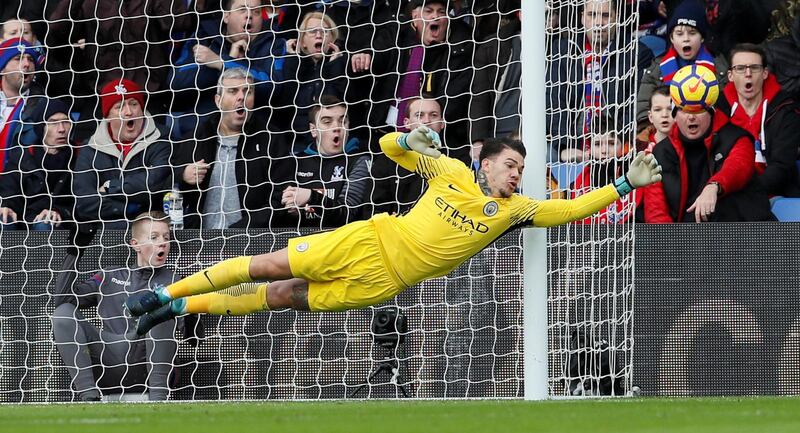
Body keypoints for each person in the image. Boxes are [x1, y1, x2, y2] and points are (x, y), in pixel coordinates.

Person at [125, 126, 663, 336]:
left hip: (385, 281)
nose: (516, 174)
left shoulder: (515, 210)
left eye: (520, 170)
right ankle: (164, 291)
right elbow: (386, 150)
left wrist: (622, 184)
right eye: (510, 166)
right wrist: (408, 138)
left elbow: (569, 211)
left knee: (284, 296)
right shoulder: (451, 172)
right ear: (487, 165)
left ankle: (180, 309)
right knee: (270, 264)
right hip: (370, 239)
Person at [52, 212, 179, 401]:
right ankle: (88, 399)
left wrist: (186, 313)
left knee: (161, 311)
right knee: (63, 313)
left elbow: (193, 336)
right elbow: (62, 301)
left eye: (166, 237)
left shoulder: (175, 282)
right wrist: (75, 250)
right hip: (107, 364)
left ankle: (159, 401)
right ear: (135, 244)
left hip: (146, 368)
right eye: (154, 237)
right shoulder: (110, 275)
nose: (163, 242)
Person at [643, 87, 774, 222]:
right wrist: (671, 241)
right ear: (675, 115)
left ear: (711, 112)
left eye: (698, 110)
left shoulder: (737, 138)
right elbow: (656, 211)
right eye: (684, 110)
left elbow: (738, 166)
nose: (691, 117)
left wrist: (714, 186)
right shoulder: (659, 153)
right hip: (685, 237)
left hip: (745, 228)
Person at [548, 0, 654, 163]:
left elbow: (636, 106)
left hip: (618, 145)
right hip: (573, 146)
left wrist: (615, 142)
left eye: (605, 15)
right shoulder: (563, 51)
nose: (599, 22)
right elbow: (555, 102)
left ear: (617, 18)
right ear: (582, 18)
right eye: (592, 15)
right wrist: (562, 146)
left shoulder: (637, 53)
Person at [172, 67, 276, 229]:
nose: (241, 97)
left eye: (248, 92)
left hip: (251, 241)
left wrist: (242, 229)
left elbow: (281, 197)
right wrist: (183, 175)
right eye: (233, 91)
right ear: (217, 100)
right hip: (200, 241)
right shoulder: (196, 138)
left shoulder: (271, 139)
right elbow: (165, 186)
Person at [72, 79, 172, 229]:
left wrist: (111, 187)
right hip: (104, 233)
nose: (128, 112)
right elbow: (84, 203)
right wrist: (130, 208)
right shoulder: (90, 148)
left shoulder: (162, 138)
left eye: (134, 104)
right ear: (108, 116)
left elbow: (155, 183)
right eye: (119, 107)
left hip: (151, 230)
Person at [268, 95, 371, 229]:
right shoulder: (295, 161)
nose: (337, 127)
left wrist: (311, 197)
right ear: (313, 130)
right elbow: (278, 209)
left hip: (339, 241)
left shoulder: (359, 161)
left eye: (342, 121)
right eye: (327, 122)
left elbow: (347, 214)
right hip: (298, 241)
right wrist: (291, 210)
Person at [715, 43, 800, 198]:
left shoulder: (786, 109)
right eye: (740, 68)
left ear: (765, 73)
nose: (748, 74)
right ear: (730, 76)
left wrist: (750, 194)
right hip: (728, 193)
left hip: (777, 194)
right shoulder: (717, 110)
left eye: (754, 68)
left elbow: (782, 165)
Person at [636, 0, 728, 130]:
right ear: (671, 38)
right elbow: (643, 111)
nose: (686, 38)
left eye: (692, 33)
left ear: (702, 37)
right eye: (679, 34)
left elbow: (725, 111)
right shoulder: (657, 68)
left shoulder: (719, 68)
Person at [272, 11, 347, 148]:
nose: (319, 35)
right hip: (296, 145)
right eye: (312, 31)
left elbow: (346, 102)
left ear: (332, 41)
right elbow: (284, 104)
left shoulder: (341, 65)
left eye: (324, 31)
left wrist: (336, 66)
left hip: (333, 144)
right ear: (303, 42)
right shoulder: (293, 65)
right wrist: (292, 61)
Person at [0, 99, 74, 230]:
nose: (62, 129)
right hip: (22, 221)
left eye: (66, 121)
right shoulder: (23, 156)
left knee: (44, 224)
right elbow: (8, 191)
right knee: (3, 219)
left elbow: (81, 201)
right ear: (41, 127)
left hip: (61, 224)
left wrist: (58, 211)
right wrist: (7, 206)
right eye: (53, 122)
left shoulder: (79, 156)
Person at [571, 120, 639, 224]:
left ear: (623, 147)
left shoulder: (636, 179)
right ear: (589, 149)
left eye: (612, 143)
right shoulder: (579, 184)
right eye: (597, 144)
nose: (604, 150)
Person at [643, 85, 675, 152]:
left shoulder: (689, 144)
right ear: (650, 117)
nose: (664, 115)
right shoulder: (640, 146)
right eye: (658, 110)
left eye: (670, 109)